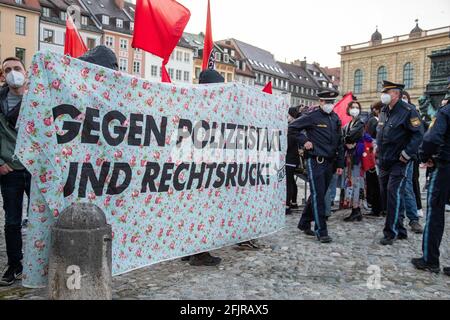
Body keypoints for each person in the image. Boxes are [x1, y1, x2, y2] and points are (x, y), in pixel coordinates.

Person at [289, 90, 344, 244]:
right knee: (319, 196)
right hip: (315, 161)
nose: (329, 105)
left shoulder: (335, 118)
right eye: (327, 102)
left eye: (331, 102)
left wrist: (340, 163)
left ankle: (304, 222)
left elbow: (339, 142)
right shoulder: (312, 116)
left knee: (317, 193)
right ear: (320, 102)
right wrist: (304, 140)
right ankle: (322, 230)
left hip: (330, 162)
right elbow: (293, 128)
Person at [182, 69, 224, 265]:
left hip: (189, 166)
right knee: (203, 210)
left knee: (190, 209)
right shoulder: (206, 106)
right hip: (201, 166)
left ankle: (188, 250)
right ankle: (199, 254)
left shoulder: (190, 102)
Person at [376, 81, 424, 246]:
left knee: (393, 193)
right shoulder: (384, 110)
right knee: (387, 195)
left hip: (399, 161)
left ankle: (391, 232)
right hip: (384, 161)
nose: (384, 95)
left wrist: (407, 153)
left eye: (387, 92)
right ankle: (401, 230)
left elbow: (418, 135)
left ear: (396, 94)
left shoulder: (408, 111)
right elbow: (381, 134)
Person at [411, 88, 450, 276]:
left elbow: (432, 138)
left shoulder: (445, 112)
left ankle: (430, 259)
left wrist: (424, 156)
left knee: (435, 212)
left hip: (445, 167)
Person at [0, 57, 31, 286]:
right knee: (12, 221)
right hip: (9, 170)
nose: (13, 73)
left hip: (34, 170)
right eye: (8, 70)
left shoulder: (37, 98)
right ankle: (15, 265)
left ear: (26, 72)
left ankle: (42, 261)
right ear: (3, 76)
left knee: (42, 218)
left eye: (17, 68)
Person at [399, 91, 423, 233]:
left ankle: (413, 219)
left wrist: (407, 153)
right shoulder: (387, 111)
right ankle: (398, 218)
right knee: (394, 190)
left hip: (406, 157)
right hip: (391, 157)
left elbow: (418, 134)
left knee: (407, 187)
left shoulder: (412, 111)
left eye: (404, 97)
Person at [341, 101, 365, 222]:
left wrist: (346, 140)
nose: (355, 109)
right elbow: (344, 137)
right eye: (352, 107)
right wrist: (346, 141)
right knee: (350, 181)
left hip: (356, 157)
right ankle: (356, 209)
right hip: (350, 156)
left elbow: (350, 136)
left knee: (355, 182)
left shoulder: (360, 123)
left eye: (357, 107)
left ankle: (356, 209)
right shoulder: (349, 123)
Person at [364, 101, 383, 218]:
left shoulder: (375, 121)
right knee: (375, 182)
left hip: (375, 155)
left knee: (375, 183)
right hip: (374, 155)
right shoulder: (374, 121)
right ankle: (377, 207)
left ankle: (377, 208)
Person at [286, 106, 300, 215]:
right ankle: (294, 202)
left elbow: (289, 144)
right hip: (292, 158)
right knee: (291, 181)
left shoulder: (292, 127)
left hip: (290, 157)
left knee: (289, 181)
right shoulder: (295, 125)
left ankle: (287, 204)